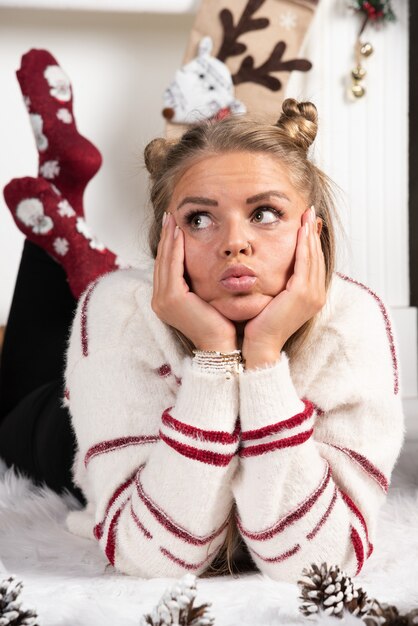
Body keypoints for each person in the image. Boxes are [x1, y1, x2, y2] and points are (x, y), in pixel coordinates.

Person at [1, 98, 404, 583]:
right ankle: (62, 188)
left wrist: (263, 362)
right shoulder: (119, 312)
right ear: (165, 240)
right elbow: (151, 557)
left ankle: (70, 216)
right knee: (14, 403)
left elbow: (318, 563)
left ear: (312, 233)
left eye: (266, 213)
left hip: (147, 362)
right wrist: (214, 357)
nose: (235, 243)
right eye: (199, 220)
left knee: (97, 301)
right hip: (62, 424)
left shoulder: (354, 320)